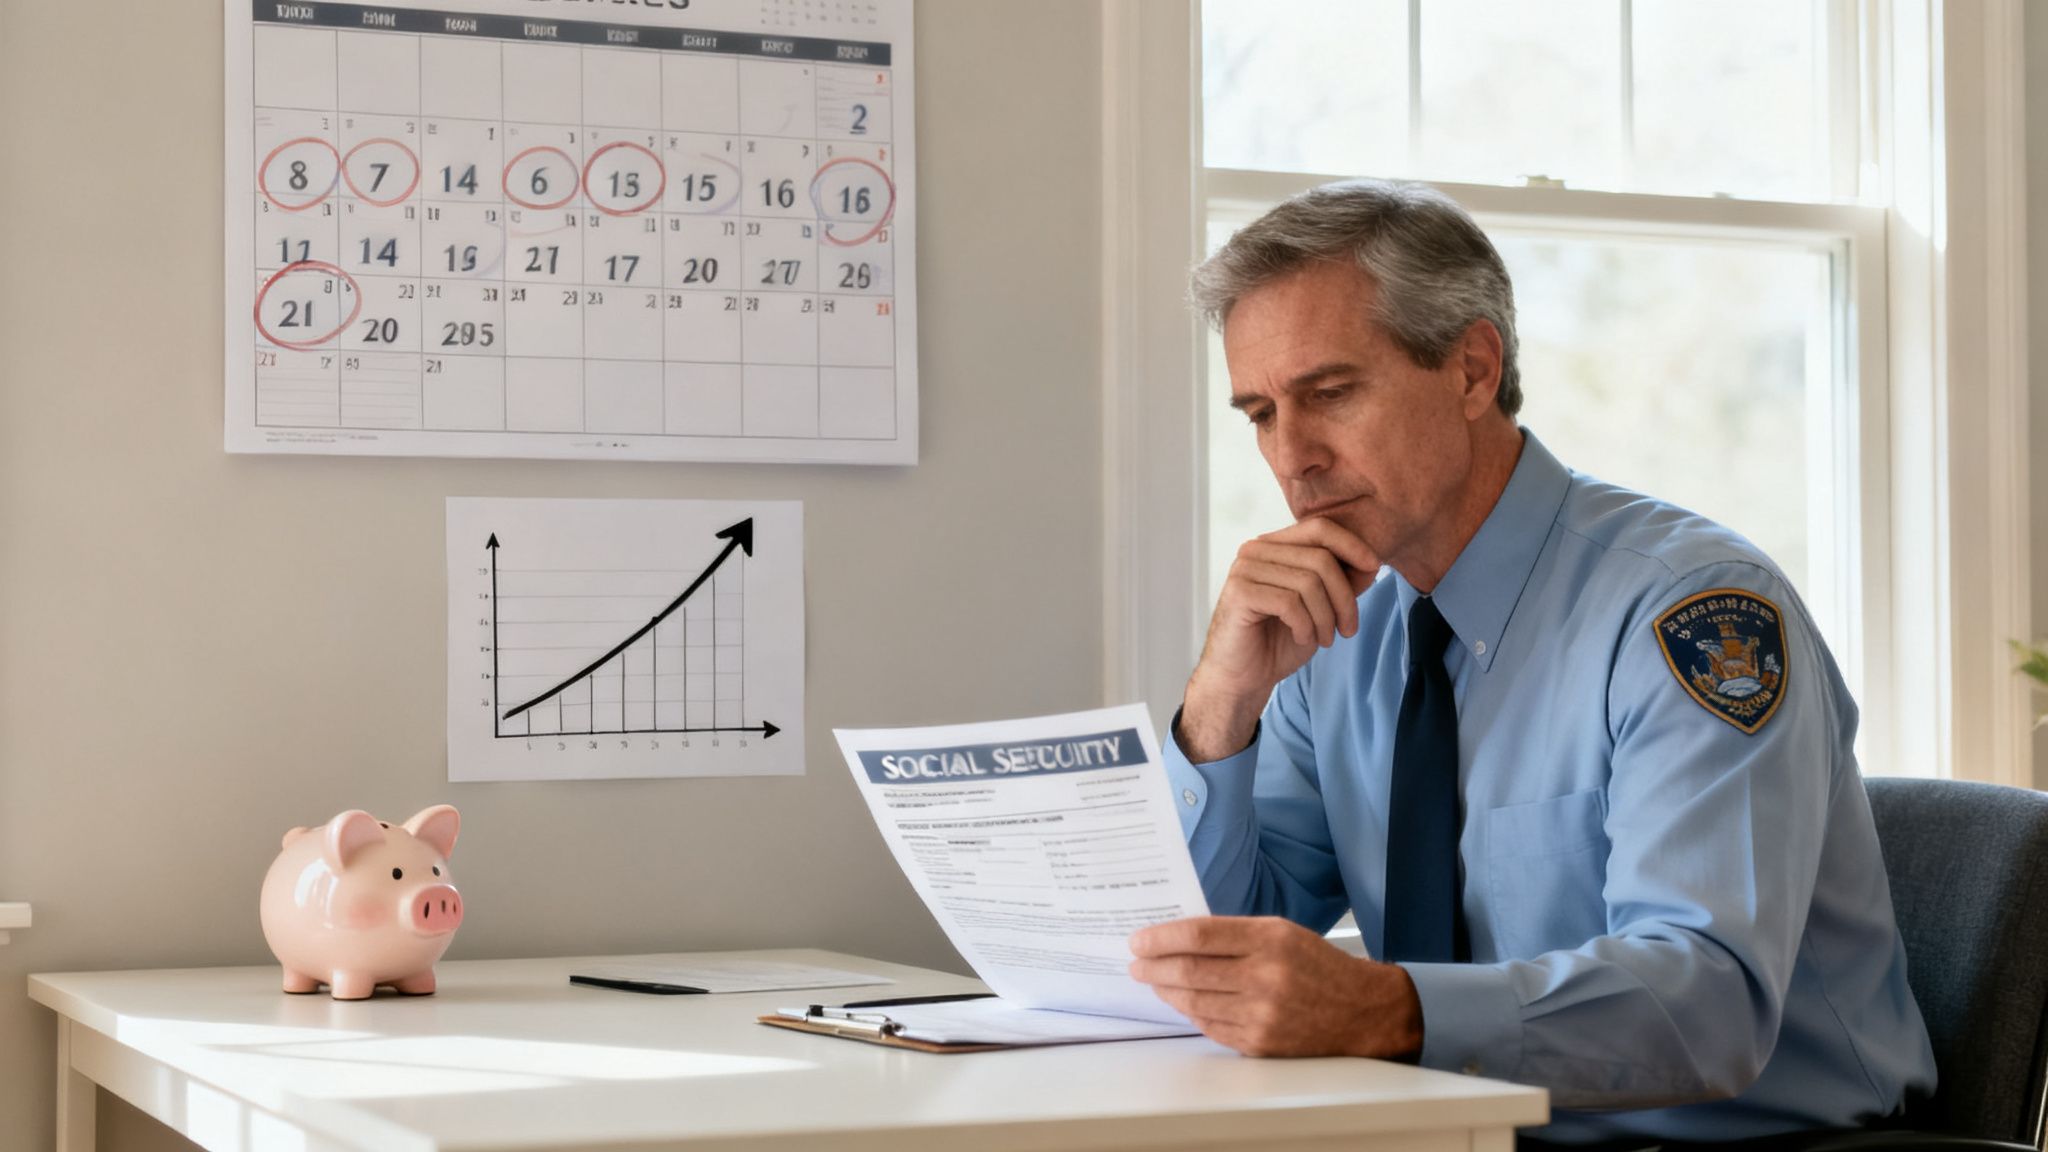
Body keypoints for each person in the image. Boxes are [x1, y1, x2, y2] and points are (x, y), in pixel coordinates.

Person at [1124, 179, 1936, 1144]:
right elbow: (1203, 961)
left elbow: (1708, 1004)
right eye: (1259, 412)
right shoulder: (1332, 637)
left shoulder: (1692, 613)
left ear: (1472, 369)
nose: (1291, 456)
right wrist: (1220, 708)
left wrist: (1389, 1012)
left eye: (1329, 394)